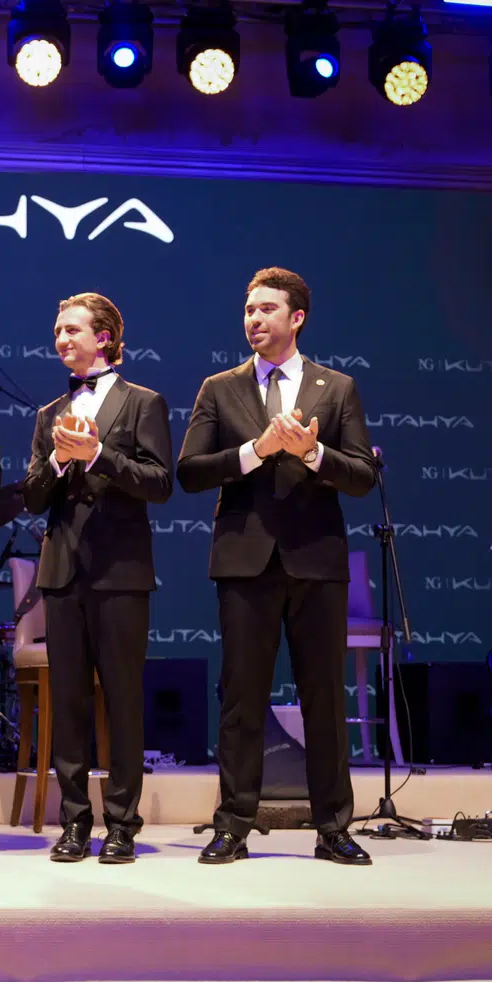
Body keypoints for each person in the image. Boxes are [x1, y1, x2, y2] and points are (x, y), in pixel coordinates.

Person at [177, 267, 376, 866]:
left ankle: (333, 828)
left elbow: (362, 476)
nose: (254, 319)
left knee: (323, 698)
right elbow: (189, 472)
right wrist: (256, 450)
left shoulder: (336, 388)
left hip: (316, 561)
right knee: (242, 698)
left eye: (267, 309)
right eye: (249, 310)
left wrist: (311, 452)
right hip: (246, 561)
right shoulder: (221, 388)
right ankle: (233, 826)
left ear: (297, 318)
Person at [21, 293, 172, 863]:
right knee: (69, 703)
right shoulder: (48, 415)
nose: (61, 339)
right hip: (63, 573)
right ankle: (74, 822)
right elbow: (32, 497)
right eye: (58, 331)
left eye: (72, 330)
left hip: (120, 573)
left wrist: (98, 454)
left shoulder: (143, 403)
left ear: (104, 337)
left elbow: (159, 482)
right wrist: (59, 461)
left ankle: (123, 824)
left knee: (124, 701)